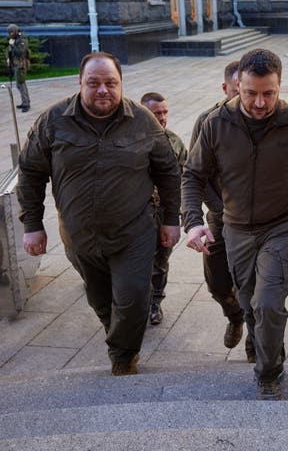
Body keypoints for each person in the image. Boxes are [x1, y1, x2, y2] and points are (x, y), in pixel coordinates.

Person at [17, 51, 180, 376]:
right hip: (80, 236)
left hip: (134, 232)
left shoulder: (143, 121)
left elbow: (169, 171)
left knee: (134, 296)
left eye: (110, 83)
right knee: (100, 297)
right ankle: (117, 332)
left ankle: (123, 356)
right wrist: (33, 225)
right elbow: (30, 173)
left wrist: (171, 219)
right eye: (94, 83)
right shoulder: (53, 121)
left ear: (121, 84)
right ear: (80, 83)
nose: (103, 90)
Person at [182, 49, 288, 400]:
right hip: (237, 230)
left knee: (268, 303)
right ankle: (270, 349)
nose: (260, 102)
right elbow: (192, 175)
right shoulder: (215, 123)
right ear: (236, 86)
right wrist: (193, 222)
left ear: (279, 86)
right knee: (249, 306)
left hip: (283, 225)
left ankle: (269, 373)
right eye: (250, 93)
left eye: (268, 93)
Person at [188, 60, 251, 359]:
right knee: (217, 283)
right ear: (225, 88)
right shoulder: (207, 120)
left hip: (257, 221)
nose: (246, 97)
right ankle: (235, 316)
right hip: (219, 217)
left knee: (260, 286)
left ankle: (258, 334)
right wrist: (216, 211)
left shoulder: (264, 117)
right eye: (238, 90)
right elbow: (195, 174)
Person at [140, 92, 188, 325]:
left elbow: (187, 178)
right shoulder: (130, 140)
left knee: (160, 261)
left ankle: (155, 302)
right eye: (155, 112)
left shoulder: (174, 141)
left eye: (164, 112)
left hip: (163, 213)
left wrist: (182, 214)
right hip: (135, 213)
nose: (161, 117)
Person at [6, 24, 31, 112]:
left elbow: (20, 52)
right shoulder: (15, 39)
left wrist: (12, 45)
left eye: (12, 32)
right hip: (16, 64)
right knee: (21, 84)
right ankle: (25, 102)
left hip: (21, 65)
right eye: (9, 32)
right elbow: (9, 51)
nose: (10, 34)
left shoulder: (22, 40)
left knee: (20, 84)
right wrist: (8, 58)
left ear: (16, 31)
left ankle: (26, 104)